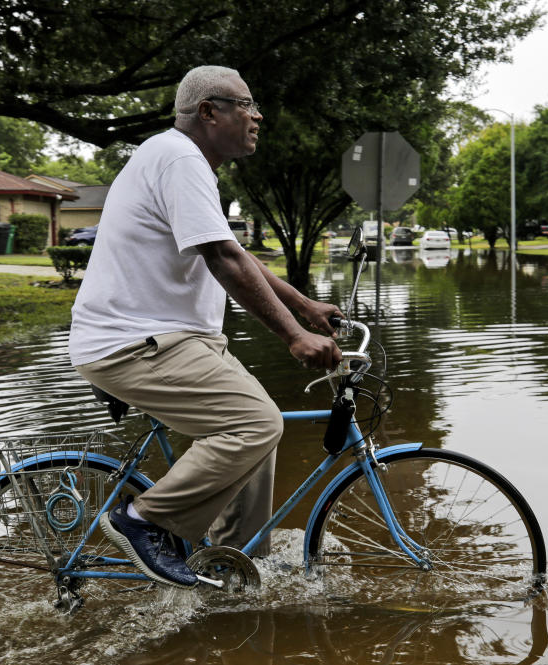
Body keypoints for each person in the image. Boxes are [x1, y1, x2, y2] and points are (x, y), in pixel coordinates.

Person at [68, 65, 342, 588]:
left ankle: (236, 566)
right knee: (256, 422)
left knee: (259, 434)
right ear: (209, 112)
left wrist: (305, 306)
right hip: (134, 343)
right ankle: (141, 520)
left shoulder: (185, 162)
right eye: (247, 104)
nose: (258, 115)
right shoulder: (177, 157)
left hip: (175, 339)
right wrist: (294, 336)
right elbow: (223, 257)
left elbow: (236, 253)